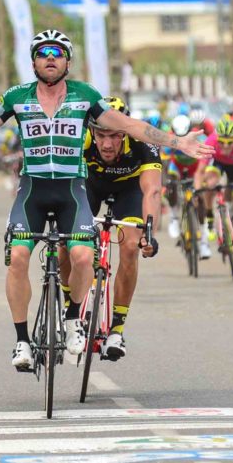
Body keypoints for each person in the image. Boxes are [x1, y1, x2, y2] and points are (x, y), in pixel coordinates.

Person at [0, 30, 211, 371]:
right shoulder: (17, 97)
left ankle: (73, 321)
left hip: (72, 190)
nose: (50, 58)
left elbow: (130, 125)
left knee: (84, 256)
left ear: (68, 61)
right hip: (33, 191)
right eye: (43, 53)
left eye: (57, 52)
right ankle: (22, 341)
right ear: (33, 61)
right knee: (19, 258)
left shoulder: (86, 97)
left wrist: (178, 142)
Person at [81, 96, 161, 360]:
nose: (106, 143)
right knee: (68, 239)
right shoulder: (81, 136)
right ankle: (70, 313)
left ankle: (116, 329)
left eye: (115, 136)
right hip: (90, 184)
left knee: (129, 246)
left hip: (129, 190)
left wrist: (149, 234)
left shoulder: (142, 140)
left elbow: (152, 191)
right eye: (101, 134)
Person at [194, 118, 233, 267]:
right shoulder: (211, 141)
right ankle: (210, 216)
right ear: (217, 138)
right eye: (222, 142)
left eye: (230, 142)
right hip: (218, 164)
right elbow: (200, 172)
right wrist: (198, 190)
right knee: (210, 182)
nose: (225, 146)